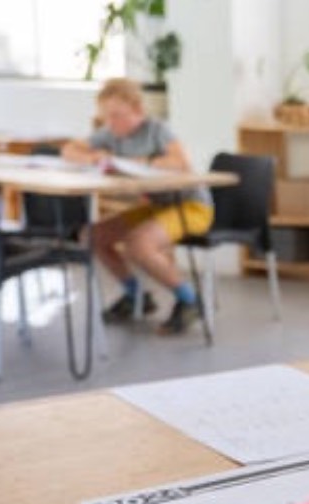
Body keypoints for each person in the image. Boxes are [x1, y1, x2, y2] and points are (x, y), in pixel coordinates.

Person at [61, 78, 211, 335]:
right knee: (91, 236)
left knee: (139, 244)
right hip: (155, 207)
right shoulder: (110, 133)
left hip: (190, 206)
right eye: (107, 117)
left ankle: (190, 301)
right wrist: (92, 156)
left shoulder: (156, 129)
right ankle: (137, 296)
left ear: (138, 110)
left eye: (118, 115)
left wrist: (135, 161)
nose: (111, 123)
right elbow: (69, 150)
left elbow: (180, 162)